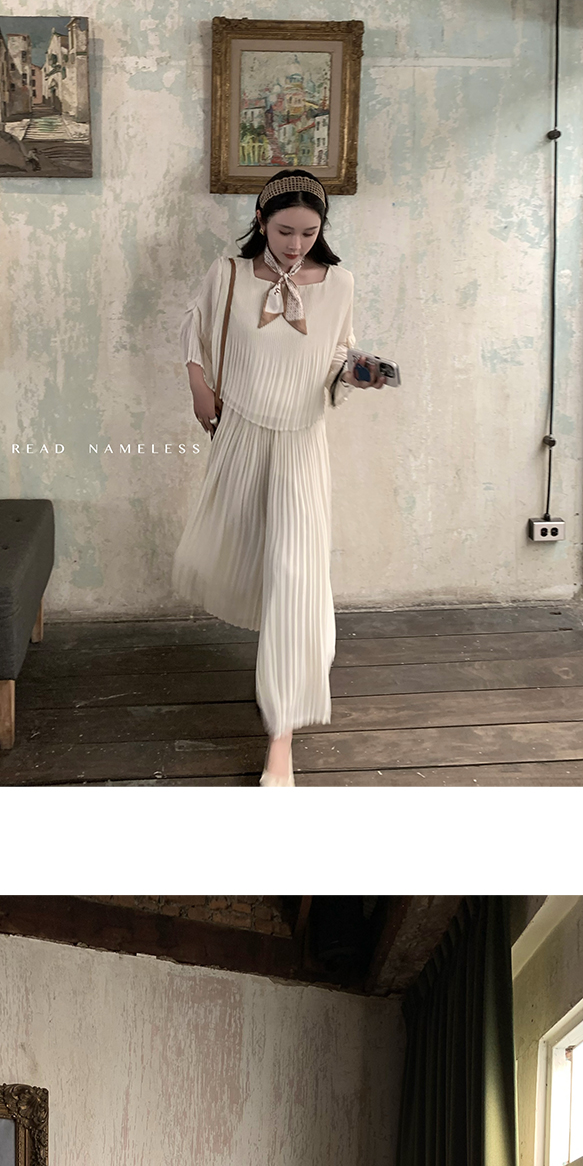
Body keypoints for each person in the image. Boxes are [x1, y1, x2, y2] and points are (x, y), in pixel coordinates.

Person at [175, 165, 397, 786]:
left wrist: (357, 374)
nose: (296, 244)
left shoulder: (340, 283)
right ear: (260, 222)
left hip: (301, 443)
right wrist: (199, 390)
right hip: (242, 436)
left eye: (308, 232)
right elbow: (195, 332)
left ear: (321, 229)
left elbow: (336, 355)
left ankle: (282, 735)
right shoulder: (227, 274)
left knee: (297, 581)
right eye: (284, 231)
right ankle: (274, 693)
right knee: (254, 565)